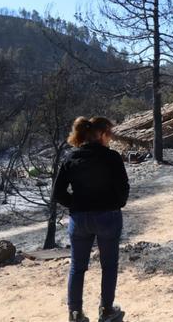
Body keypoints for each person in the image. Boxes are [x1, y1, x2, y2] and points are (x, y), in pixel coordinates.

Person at [53, 116, 129, 322]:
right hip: (108, 217)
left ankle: (75, 313)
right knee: (109, 265)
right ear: (103, 134)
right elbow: (123, 191)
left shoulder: (71, 157)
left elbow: (58, 192)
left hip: (79, 219)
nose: (111, 139)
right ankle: (106, 311)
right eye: (110, 134)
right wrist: (115, 204)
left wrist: (76, 204)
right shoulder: (112, 157)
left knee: (77, 267)